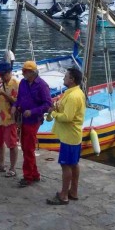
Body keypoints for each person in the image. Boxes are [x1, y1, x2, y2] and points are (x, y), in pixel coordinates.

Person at [46, 67, 86, 205]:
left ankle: (64, 195)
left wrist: (54, 113)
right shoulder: (75, 93)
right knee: (74, 164)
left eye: (66, 76)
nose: (63, 79)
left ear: (72, 79)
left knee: (66, 166)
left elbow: (67, 117)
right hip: (73, 135)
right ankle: (73, 191)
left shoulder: (74, 96)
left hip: (69, 136)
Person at [12, 60, 52, 188]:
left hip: (33, 120)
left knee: (28, 148)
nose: (23, 73)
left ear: (32, 72)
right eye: (23, 70)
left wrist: (33, 111)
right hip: (23, 119)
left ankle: (28, 176)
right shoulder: (23, 83)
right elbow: (19, 99)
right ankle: (34, 174)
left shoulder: (42, 86)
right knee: (26, 147)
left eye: (25, 71)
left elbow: (48, 104)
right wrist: (15, 106)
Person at [0, 61, 20, 178]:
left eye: (3, 74)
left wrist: (3, 93)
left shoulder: (16, 83)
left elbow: (17, 102)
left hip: (9, 118)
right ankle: (1, 165)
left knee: (12, 144)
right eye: (0, 74)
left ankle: (12, 168)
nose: (1, 77)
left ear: (9, 72)